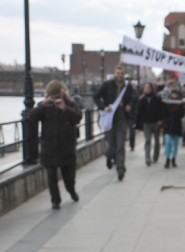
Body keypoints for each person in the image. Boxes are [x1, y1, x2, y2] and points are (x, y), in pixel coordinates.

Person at [30, 80, 82, 209]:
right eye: (52, 97)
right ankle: (55, 200)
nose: (55, 99)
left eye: (57, 96)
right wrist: (42, 105)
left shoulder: (70, 104)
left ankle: (71, 190)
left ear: (62, 93)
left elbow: (77, 117)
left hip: (66, 147)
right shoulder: (44, 106)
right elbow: (31, 117)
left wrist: (64, 108)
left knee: (69, 178)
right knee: (51, 176)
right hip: (50, 147)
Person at [93, 65, 133, 181]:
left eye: (122, 73)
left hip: (122, 117)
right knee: (112, 145)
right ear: (115, 74)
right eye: (118, 73)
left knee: (121, 145)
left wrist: (129, 105)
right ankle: (109, 156)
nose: (120, 75)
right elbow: (96, 97)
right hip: (110, 116)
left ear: (124, 74)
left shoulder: (128, 87)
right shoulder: (107, 85)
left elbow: (131, 99)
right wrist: (103, 107)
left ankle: (120, 169)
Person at [136, 82, 164, 166]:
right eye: (145, 87)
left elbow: (162, 110)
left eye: (148, 87)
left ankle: (155, 156)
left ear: (151, 88)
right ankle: (147, 158)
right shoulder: (142, 99)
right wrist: (138, 124)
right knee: (147, 140)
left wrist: (160, 120)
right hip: (146, 123)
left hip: (156, 122)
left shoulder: (157, 98)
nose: (147, 89)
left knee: (156, 141)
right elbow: (139, 112)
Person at [161, 89, 185, 168]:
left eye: (176, 94)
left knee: (175, 144)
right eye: (173, 94)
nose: (174, 96)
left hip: (177, 125)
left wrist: (182, 105)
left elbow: (182, 114)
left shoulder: (180, 103)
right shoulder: (167, 103)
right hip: (168, 125)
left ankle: (174, 159)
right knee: (168, 143)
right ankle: (167, 159)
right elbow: (163, 113)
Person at [126, 76, 140, 152]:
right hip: (124, 114)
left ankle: (132, 145)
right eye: (127, 80)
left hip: (132, 115)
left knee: (132, 131)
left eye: (129, 80)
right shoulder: (123, 89)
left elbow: (137, 101)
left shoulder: (134, 90)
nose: (129, 81)